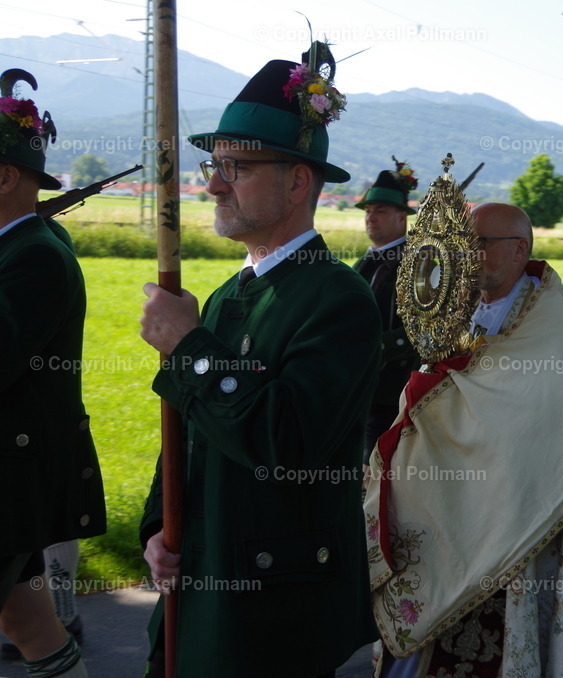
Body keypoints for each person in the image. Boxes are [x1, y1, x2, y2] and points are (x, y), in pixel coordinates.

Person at [138, 44, 380, 677]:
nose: (213, 183)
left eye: (236, 168)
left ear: (298, 181)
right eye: (214, 165)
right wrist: (157, 528)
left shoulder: (338, 298)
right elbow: (185, 435)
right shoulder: (223, 297)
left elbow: (288, 443)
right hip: (202, 580)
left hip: (272, 606)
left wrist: (189, 348)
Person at [364, 202, 563, 677]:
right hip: (449, 501)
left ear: (519, 249)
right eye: (463, 243)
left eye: (480, 243)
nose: (467, 254)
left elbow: (532, 423)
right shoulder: (462, 307)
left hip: (517, 511)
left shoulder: (548, 322)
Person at [0, 68, 105, 678]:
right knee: (28, 624)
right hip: (13, 474)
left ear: (6, 176)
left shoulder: (35, 254)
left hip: (9, 481)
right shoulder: (19, 246)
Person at [353, 158, 422, 468]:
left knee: (380, 478)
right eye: (368, 211)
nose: (371, 218)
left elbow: (422, 328)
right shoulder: (365, 263)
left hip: (392, 394)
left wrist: (373, 348)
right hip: (358, 390)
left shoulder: (418, 263)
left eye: (380, 211)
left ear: (401, 217)